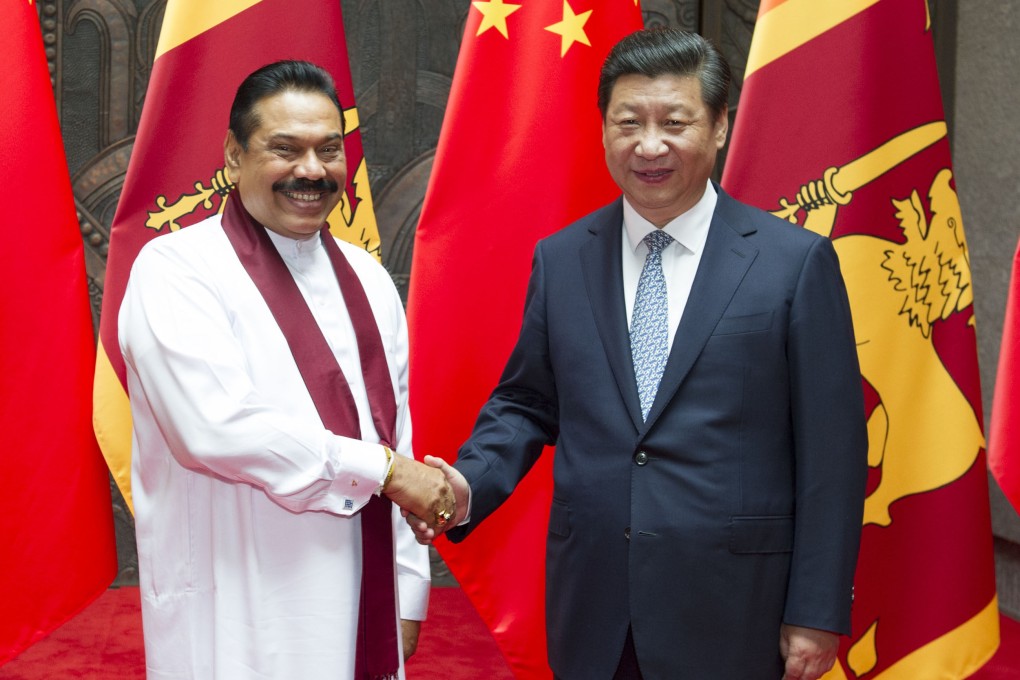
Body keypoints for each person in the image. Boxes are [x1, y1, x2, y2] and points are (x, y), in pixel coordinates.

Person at [410, 28, 868, 680]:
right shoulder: (563, 258)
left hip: (736, 608)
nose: (649, 145)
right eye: (629, 122)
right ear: (603, 131)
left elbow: (833, 455)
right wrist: (466, 484)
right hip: (595, 603)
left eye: (675, 122)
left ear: (718, 126)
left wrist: (816, 610)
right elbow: (526, 402)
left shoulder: (792, 265)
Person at [120, 60, 456, 680]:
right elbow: (215, 430)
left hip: (365, 592)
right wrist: (379, 470)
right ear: (232, 154)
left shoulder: (369, 277)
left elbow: (398, 437)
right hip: (236, 607)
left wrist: (408, 589)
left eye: (329, 150)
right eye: (285, 148)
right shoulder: (175, 269)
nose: (312, 170)